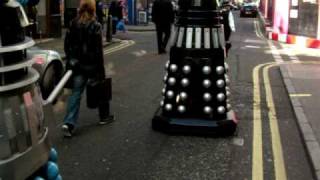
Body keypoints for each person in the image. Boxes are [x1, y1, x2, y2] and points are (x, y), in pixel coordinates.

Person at [63, 0, 114, 137]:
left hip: (78, 66)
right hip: (91, 66)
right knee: (101, 89)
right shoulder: (96, 26)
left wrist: (72, 60)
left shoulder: (73, 23)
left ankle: (69, 123)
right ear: (93, 9)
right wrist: (100, 69)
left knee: (75, 94)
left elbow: (67, 46)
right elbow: (98, 51)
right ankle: (104, 117)